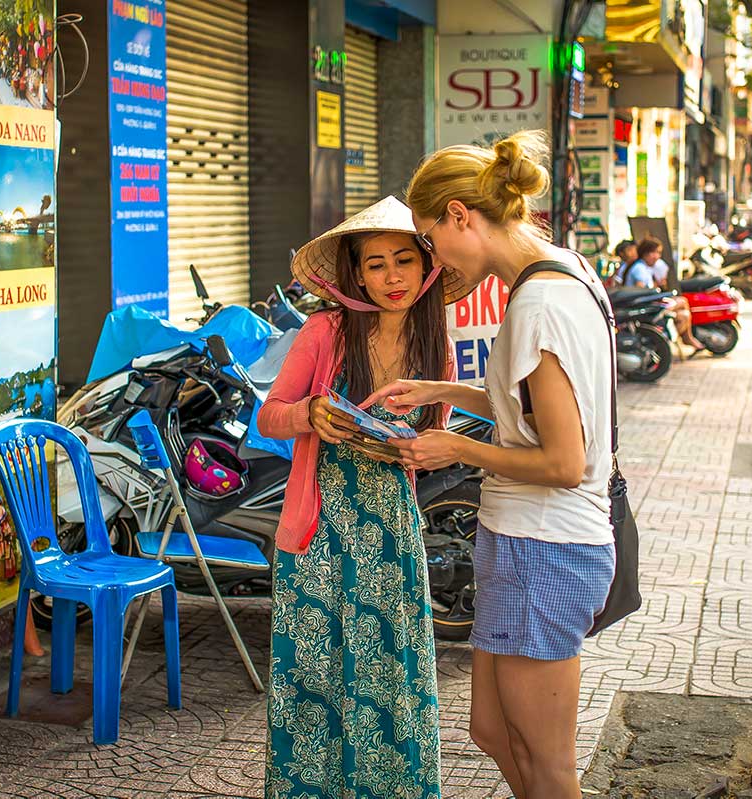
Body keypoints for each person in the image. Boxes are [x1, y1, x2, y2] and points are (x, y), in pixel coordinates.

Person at [365, 131, 615, 799]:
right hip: (521, 539)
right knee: (492, 731)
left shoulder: (539, 303)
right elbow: (528, 405)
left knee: (548, 761)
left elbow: (565, 459)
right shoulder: (560, 270)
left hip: (548, 543)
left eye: (429, 240)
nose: (432, 260)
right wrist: (439, 392)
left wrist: (456, 447)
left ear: (458, 216)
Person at [258, 196, 463, 799]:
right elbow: (268, 417)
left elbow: (434, 438)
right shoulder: (323, 331)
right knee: (312, 675)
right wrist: (310, 412)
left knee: (387, 675)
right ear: (356, 274)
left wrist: (410, 447)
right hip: (318, 531)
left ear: (427, 267)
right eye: (375, 265)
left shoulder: (436, 346)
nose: (391, 277)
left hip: (389, 534)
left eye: (403, 260)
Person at [636, 237, 703, 352]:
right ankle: (679, 341)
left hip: (651, 304)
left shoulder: (646, 268)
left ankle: (669, 343)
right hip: (646, 308)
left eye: (658, 253)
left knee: (684, 315)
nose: (657, 256)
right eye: (654, 252)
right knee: (682, 302)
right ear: (645, 253)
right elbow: (639, 291)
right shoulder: (640, 269)